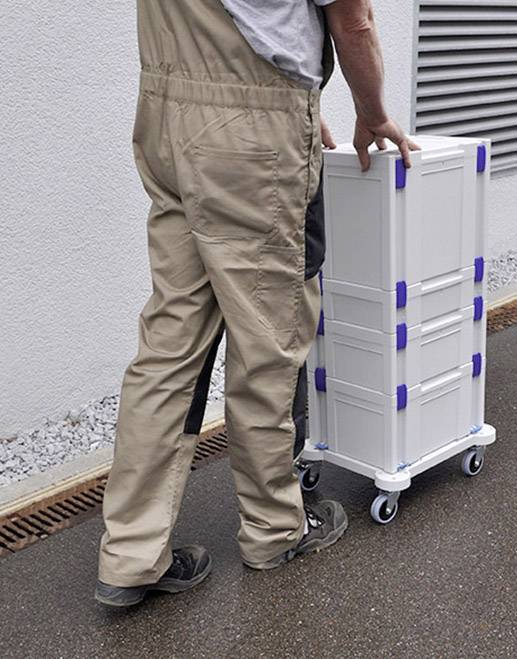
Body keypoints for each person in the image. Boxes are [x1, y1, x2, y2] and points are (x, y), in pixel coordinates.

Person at [95, 0, 419, 607]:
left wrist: (292, 113)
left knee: (171, 338)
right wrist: (368, 113)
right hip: (250, 135)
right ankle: (275, 529)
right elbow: (353, 20)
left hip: (166, 114)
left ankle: (129, 554)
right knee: (270, 336)